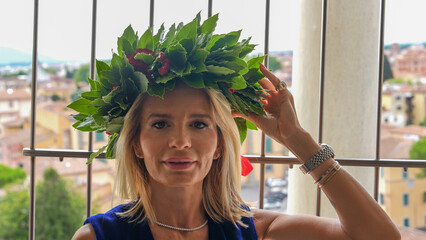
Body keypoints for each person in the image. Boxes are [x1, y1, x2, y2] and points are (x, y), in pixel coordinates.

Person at [71, 14, 400, 240]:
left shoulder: (252, 229)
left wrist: (298, 141)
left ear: (218, 145)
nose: (181, 141)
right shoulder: (98, 237)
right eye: (160, 124)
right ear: (135, 144)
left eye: (199, 124)